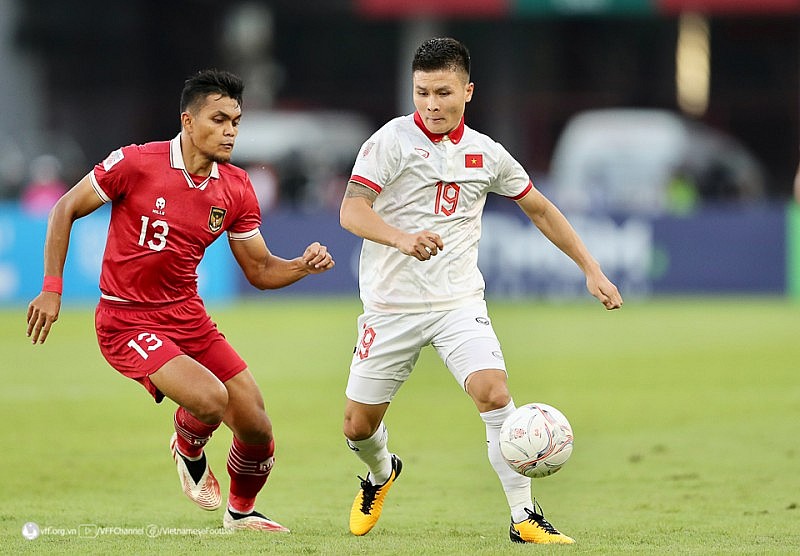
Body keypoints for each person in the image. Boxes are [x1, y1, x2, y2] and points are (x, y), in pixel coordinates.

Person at [339, 38, 622, 545]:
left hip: (458, 303)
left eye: (443, 92)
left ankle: (524, 518)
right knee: (358, 427)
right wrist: (402, 238)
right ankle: (382, 473)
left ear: (467, 91)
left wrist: (590, 267)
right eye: (422, 92)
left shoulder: (487, 153)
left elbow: (539, 209)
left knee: (494, 394)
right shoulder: (390, 142)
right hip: (391, 307)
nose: (431, 104)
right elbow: (351, 210)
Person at [25, 69, 334, 532]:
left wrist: (301, 266)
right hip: (126, 320)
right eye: (219, 119)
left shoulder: (236, 187)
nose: (230, 131)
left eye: (236, 121)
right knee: (210, 400)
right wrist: (52, 288)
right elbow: (64, 207)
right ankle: (187, 447)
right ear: (188, 121)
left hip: (187, 316)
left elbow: (260, 270)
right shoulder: (136, 162)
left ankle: (240, 513)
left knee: (257, 427)